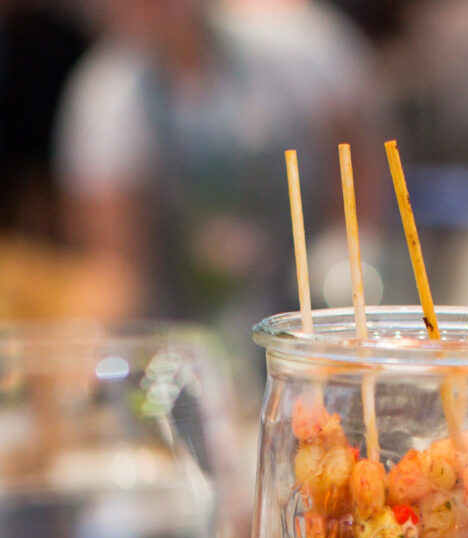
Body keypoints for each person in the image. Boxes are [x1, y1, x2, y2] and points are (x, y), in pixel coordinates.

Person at [56, 0, 370, 329]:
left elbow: (356, 144)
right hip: (184, 336)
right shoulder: (105, 95)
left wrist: (347, 253)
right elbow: (114, 259)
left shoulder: (295, 39)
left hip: (310, 317)